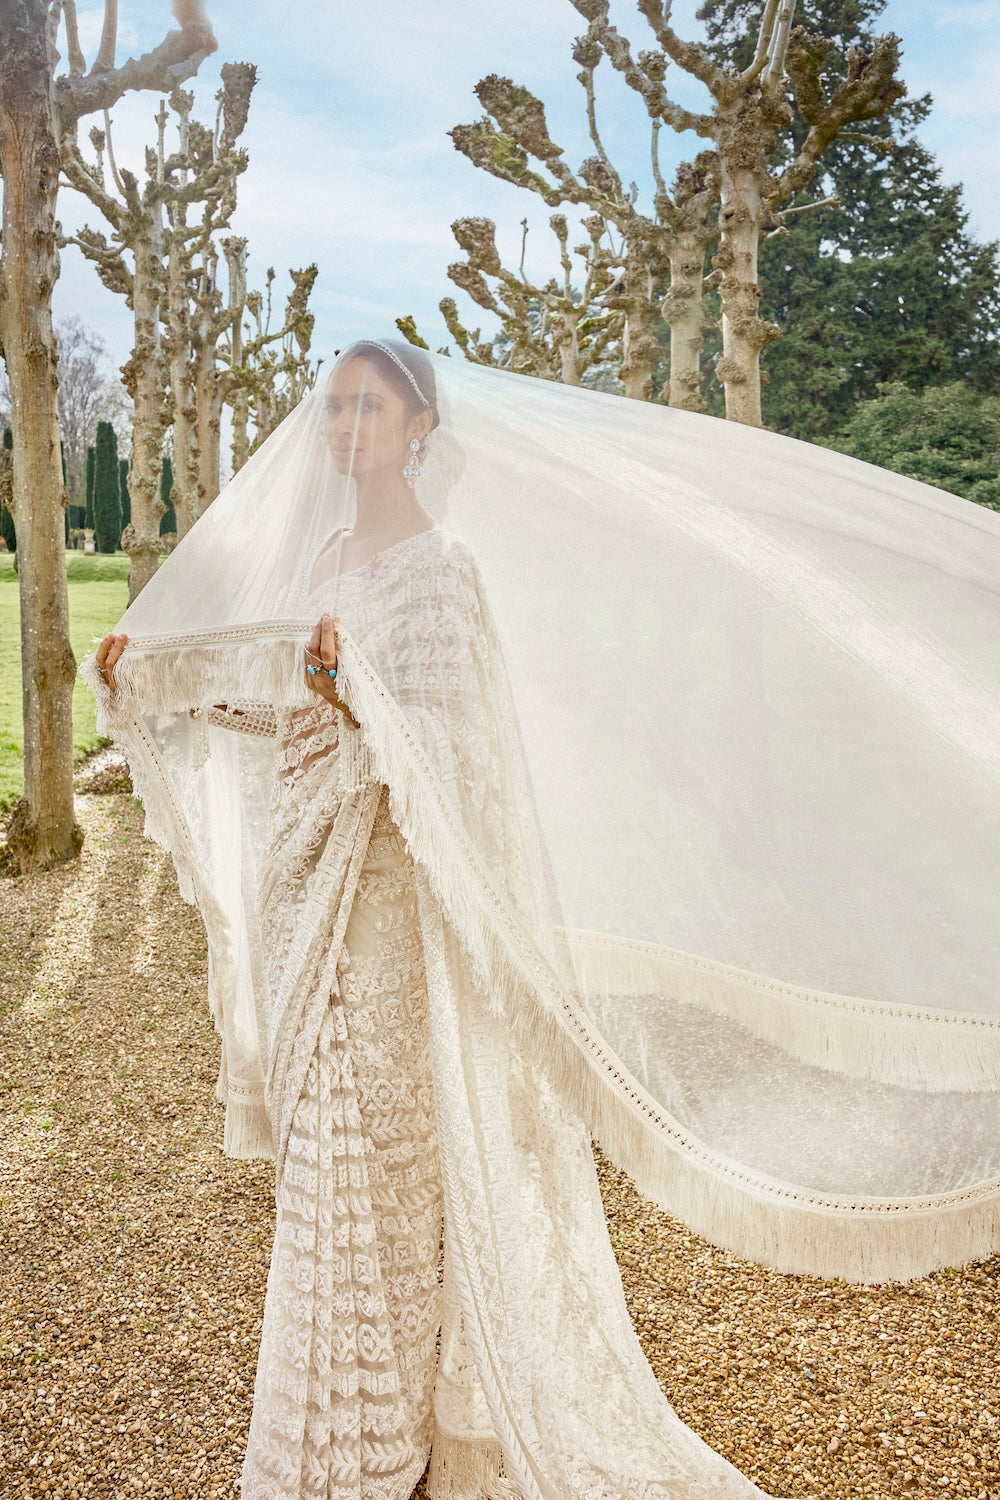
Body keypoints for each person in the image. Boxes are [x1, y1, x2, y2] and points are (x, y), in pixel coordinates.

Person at [87, 340, 1000, 1500]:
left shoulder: (438, 571)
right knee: (323, 1168)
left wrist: (355, 695)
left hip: (386, 923)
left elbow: (462, 757)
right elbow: (294, 719)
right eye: (334, 407)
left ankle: (373, 1445)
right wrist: (168, 686)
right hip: (306, 906)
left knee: (380, 1172)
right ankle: (341, 1435)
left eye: (370, 404)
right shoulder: (322, 555)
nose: (344, 425)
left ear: (420, 423)